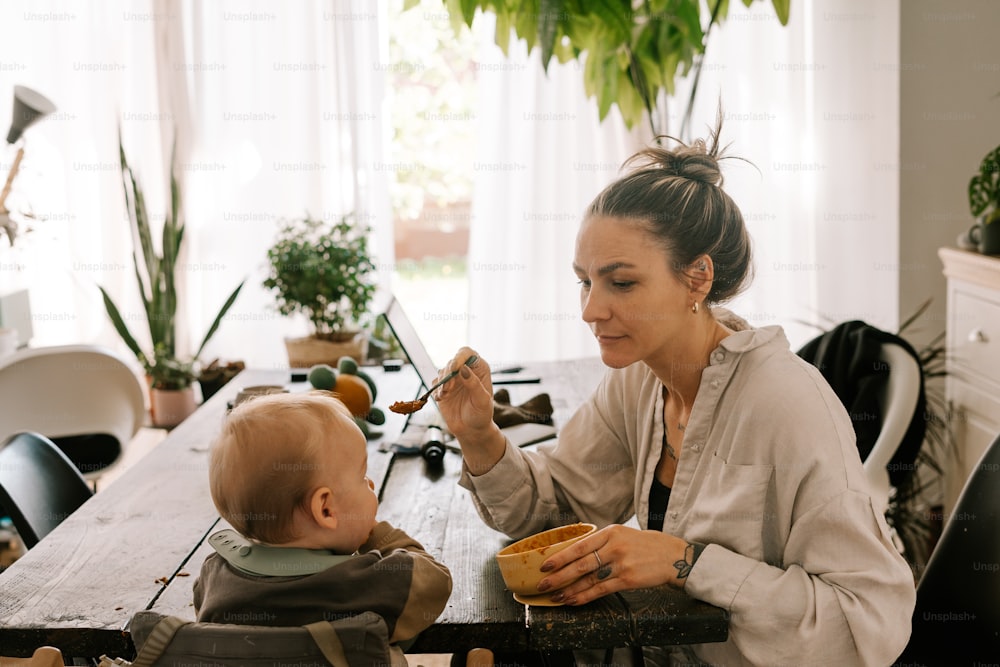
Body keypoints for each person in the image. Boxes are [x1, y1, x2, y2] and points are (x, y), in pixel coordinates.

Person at [434, 120, 916, 665]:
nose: (591, 309)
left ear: (697, 279)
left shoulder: (786, 406)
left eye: (621, 283)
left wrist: (686, 562)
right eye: (585, 282)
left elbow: (867, 622)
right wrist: (478, 435)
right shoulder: (640, 379)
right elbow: (555, 512)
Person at [193, 392, 453, 662]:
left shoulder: (215, 577)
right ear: (326, 509)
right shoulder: (370, 583)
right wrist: (376, 534)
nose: (371, 484)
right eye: (362, 476)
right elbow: (435, 581)